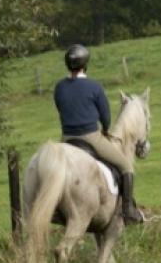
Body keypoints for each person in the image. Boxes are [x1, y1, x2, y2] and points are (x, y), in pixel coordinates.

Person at [54, 45, 145, 223]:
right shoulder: (94, 86)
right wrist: (105, 129)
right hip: (91, 137)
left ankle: (56, 209)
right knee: (126, 166)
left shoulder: (59, 87)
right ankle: (128, 211)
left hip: (66, 139)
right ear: (85, 64)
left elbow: (61, 108)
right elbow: (105, 116)